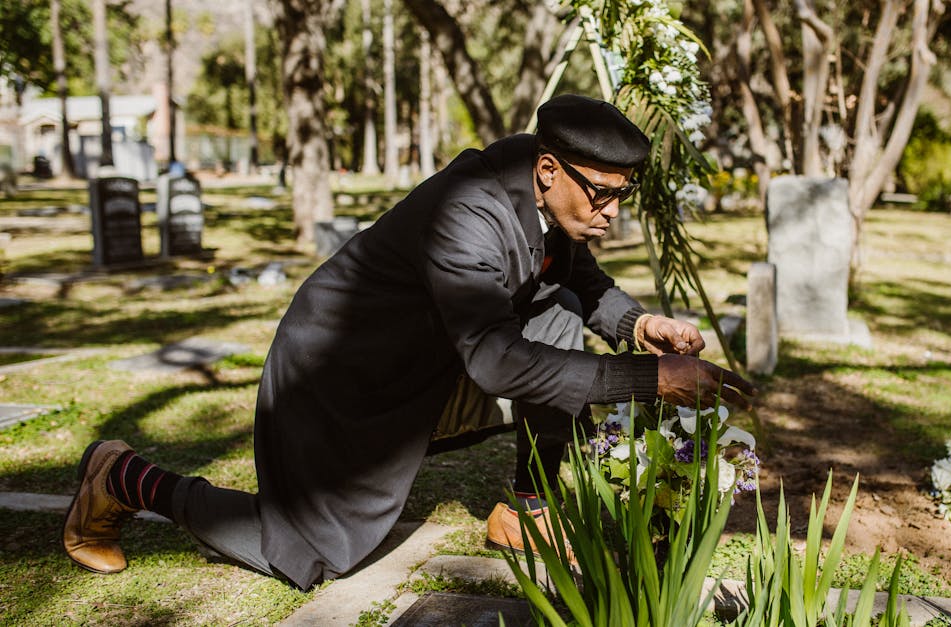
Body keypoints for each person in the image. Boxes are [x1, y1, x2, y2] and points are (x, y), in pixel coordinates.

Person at [62, 94, 755, 591]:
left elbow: (573, 276)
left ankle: (529, 512)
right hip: (337, 384)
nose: (611, 212)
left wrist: (638, 326)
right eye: (601, 194)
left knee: (559, 313)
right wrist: (649, 378)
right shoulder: (470, 213)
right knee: (307, 555)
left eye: (621, 195)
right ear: (549, 169)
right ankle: (122, 477)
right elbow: (497, 360)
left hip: (426, 368)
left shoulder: (538, 186)